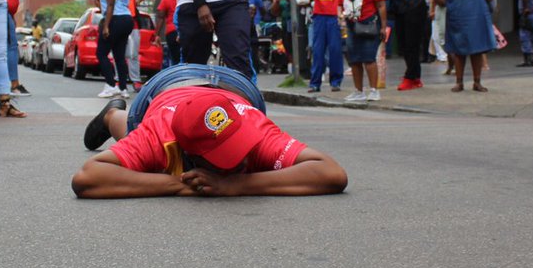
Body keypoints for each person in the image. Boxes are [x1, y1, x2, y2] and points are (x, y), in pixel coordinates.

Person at [72, 70, 347, 199]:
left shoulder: (256, 130)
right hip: (168, 85)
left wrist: (237, 184)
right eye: (224, 155)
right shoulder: (157, 135)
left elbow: (331, 173)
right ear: (188, 153)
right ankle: (111, 115)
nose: (241, 158)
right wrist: (179, 184)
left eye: (237, 142)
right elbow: (87, 178)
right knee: (133, 131)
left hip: (235, 87)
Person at [425, 0, 496, 92]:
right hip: (457, 20)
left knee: (477, 51)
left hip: (478, 19)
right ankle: (459, 82)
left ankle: (477, 82)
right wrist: (441, 2)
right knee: (459, 52)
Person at [342, 0, 387, 102]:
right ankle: (358, 91)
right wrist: (340, 17)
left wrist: (383, 27)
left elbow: (381, 6)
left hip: (369, 24)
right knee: (354, 59)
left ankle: (374, 90)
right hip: (351, 25)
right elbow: (339, 4)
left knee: (369, 58)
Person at [307, 0, 348, 93]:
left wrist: (342, 13)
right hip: (319, 15)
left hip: (334, 15)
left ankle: (336, 82)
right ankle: (315, 83)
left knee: (335, 49)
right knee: (317, 50)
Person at [118, 0, 148, 87]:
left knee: (133, 53)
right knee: (119, 53)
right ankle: (118, 79)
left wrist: (138, 1)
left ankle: (136, 80)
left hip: (132, 22)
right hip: (118, 22)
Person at [154, 0, 182, 67]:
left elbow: (160, 17)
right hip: (186, 31)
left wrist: (157, 35)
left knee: (175, 59)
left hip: (171, 32)